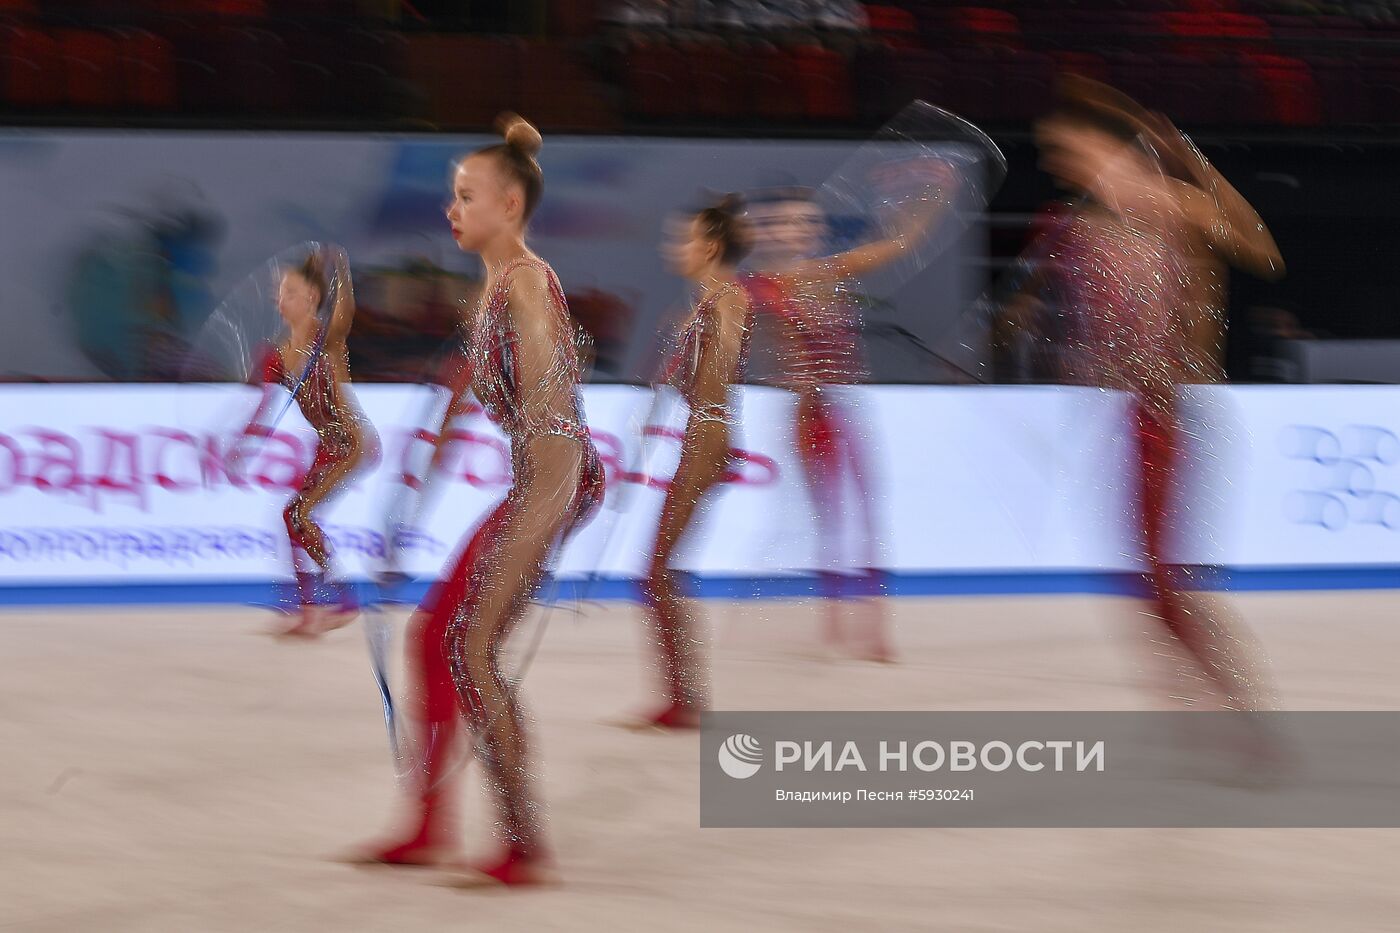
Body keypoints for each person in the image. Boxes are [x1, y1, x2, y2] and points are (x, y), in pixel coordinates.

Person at [357, 114, 604, 886]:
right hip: (535, 478)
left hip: (555, 478)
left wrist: (546, 512)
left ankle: (524, 843)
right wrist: (409, 511)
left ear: (511, 205)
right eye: (452, 196)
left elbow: (556, 415)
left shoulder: (527, 284)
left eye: (467, 196)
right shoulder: (490, 293)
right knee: (433, 636)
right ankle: (429, 825)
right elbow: (462, 407)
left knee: (468, 646)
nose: (451, 209)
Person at [630, 194, 754, 729]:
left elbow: (716, 378)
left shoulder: (725, 298)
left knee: (656, 569)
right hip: (701, 435)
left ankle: (686, 699)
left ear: (710, 247)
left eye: (684, 238)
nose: (674, 248)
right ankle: (684, 696)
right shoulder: (707, 302)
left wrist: (692, 340)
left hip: (707, 437)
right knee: (659, 569)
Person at [237, 247, 375, 637]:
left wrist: (342, 267)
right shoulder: (277, 355)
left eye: (290, 292)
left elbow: (346, 311)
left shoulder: (326, 339)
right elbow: (262, 407)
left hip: (351, 444)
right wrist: (243, 443)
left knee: (300, 515)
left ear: (312, 297)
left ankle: (342, 597)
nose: (281, 299)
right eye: (279, 292)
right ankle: (308, 607)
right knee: (292, 517)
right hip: (326, 447)